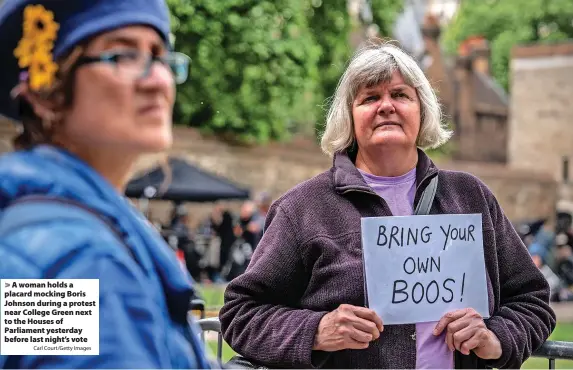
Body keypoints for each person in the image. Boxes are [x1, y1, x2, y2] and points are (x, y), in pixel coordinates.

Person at [219, 40, 556, 369]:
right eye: (369, 98)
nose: (386, 106)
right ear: (349, 117)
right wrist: (317, 331)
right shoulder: (303, 208)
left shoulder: (471, 197)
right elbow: (242, 314)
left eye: (400, 95)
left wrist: (496, 339)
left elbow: (532, 299)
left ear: (422, 111)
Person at [0, 0, 211, 368]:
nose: (159, 80)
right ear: (44, 92)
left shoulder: (45, 229)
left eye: (160, 56)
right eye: (123, 55)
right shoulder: (77, 254)